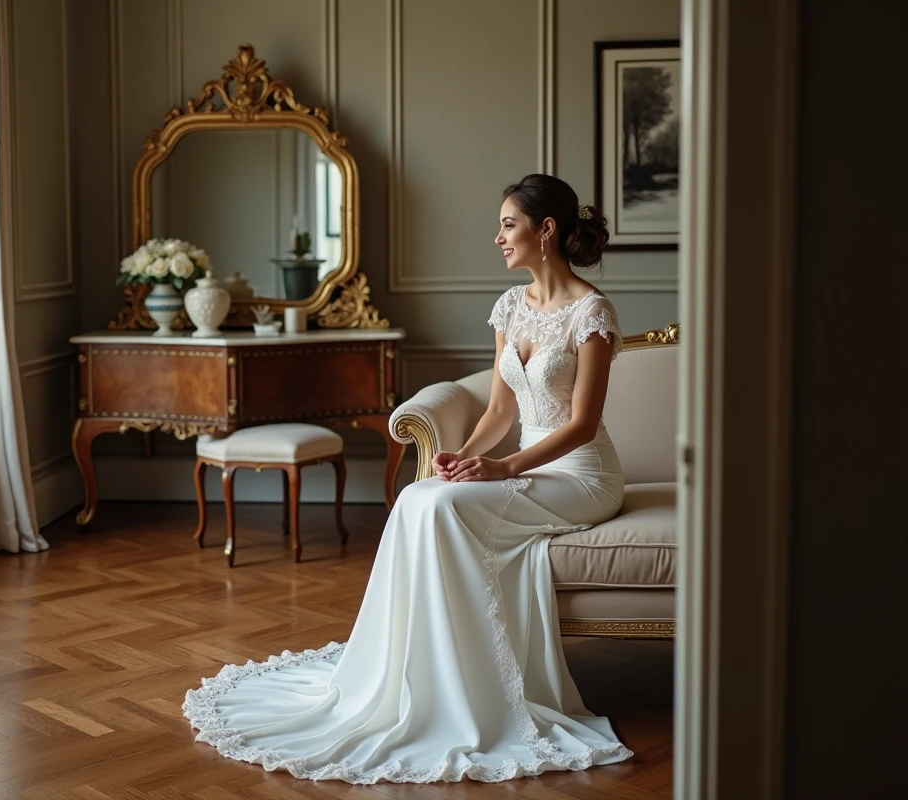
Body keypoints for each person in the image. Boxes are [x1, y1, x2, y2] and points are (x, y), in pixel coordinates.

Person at [183, 173, 632, 784]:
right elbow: (500, 411)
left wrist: (499, 468)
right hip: (523, 467)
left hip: (581, 477)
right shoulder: (509, 306)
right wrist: (462, 458)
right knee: (422, 495)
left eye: (508, 224)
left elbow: (582, 425)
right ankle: (413, 673)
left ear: (545, 229)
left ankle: (470, 689)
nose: (496, 236)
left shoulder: (591, 311)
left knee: (444, 509)